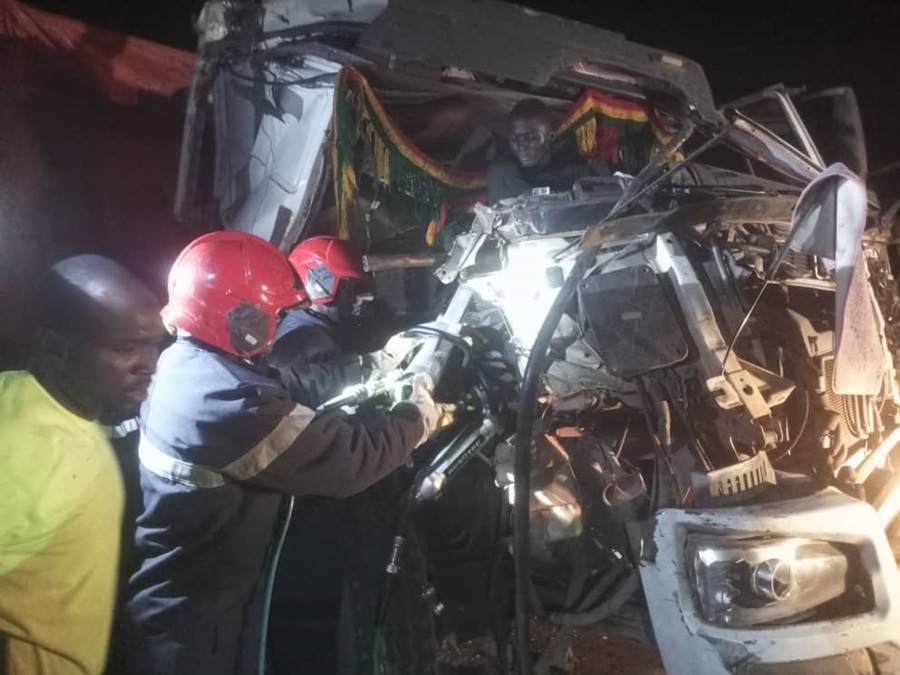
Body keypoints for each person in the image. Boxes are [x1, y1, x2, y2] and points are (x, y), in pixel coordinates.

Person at [125, 231, 443, 675]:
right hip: (196, 621)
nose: (274, 326)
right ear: (231, 315)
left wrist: (376, 364)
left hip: (197, 593)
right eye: (265, 315)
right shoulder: (228, 402)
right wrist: (417, 416)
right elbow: (350, 459)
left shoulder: (192, 363)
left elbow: (291, 385)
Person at [0, 254, 163, 675]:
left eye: (153, 346)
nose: (149, 366)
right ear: (56, 347)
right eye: (126, 348)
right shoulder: (28, 451)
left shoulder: (37, 399)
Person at [487, 98, 611, 204]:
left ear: (550, 136)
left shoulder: (571, 166)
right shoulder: (503, 171)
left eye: (531, 138)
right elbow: (520, 210)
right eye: (515, 139)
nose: (522, 146)